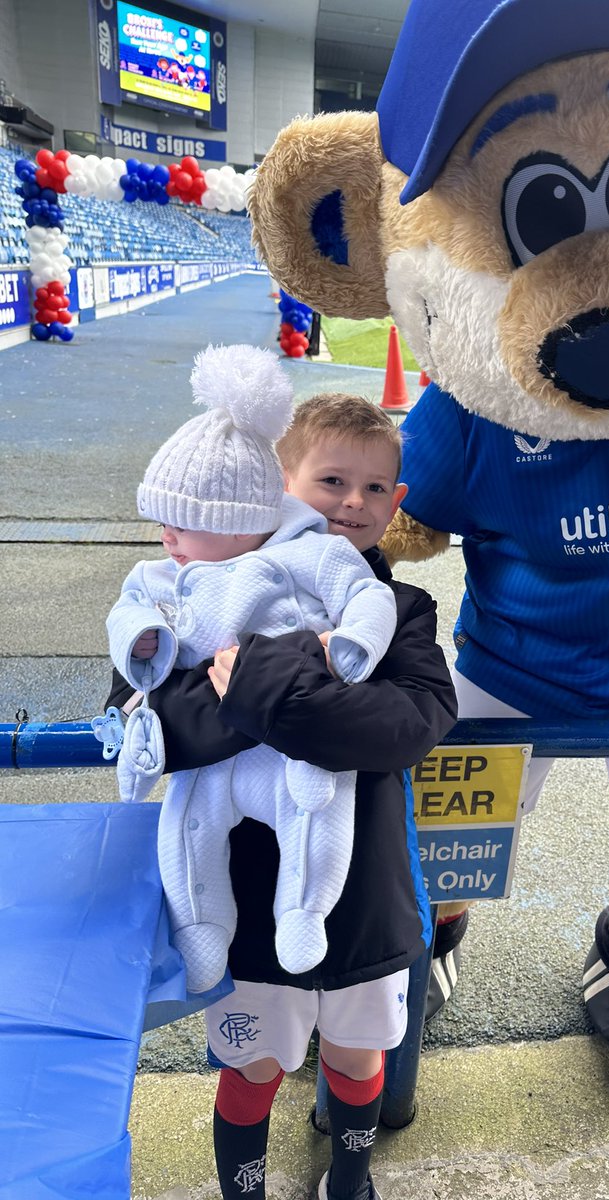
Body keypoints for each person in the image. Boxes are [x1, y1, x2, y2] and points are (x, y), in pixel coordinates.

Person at [105, 390, 457, 1200]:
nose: (353, 503)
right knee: (254, 1062)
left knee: (357, 1058)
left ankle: (351, 1179)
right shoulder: (189, 593)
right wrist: (297, 674)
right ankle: (245, 1189)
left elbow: (407, 726)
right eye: (332, 480)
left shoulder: (402, 611)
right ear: (277, 486)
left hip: (367, 893)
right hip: (247, 900)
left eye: (375, 488)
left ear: (397, 503)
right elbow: (146, 719)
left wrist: (264, 677)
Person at [106, 345, 398, 995]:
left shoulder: (306, 559)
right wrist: (145, 640)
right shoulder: (162, 579)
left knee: (315, 806)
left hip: (289, 754)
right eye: (164, 523)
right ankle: (200, 930)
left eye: (184, 524)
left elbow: (370, 601)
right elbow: (126, 618)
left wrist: (349, 646)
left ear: (240, 526)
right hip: (213, 765)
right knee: (186, 822)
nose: (167, 539)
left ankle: (303, 909)